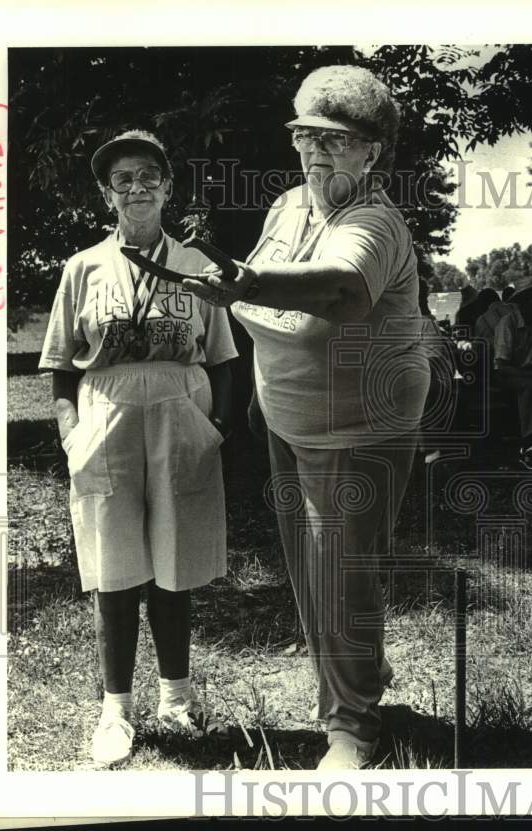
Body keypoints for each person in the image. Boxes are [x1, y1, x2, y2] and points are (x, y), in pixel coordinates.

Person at [183, 65, 429, 770]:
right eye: (302, 136)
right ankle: (360, 684)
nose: (313, 151)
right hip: (290, 417)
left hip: (360, 427)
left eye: (334, 140)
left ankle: (352, 725)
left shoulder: (376, 222)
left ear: (372, 151)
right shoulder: (291, 205)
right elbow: (266, 310)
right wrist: (262, 397)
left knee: (341, 575)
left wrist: (248, 281)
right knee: (309, 568)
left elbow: (344, 292)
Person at [39, 130, 238, 767]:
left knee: (175, 566)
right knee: (115, 570)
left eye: (148, 175)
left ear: (168, 186)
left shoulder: (197, 266)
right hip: (107, 416)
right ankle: (115, 710)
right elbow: (60, 364)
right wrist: (72, 431)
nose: (137, 187)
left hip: (181, 419)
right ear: (106, 192)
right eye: (122, 178)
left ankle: (177, 700)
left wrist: (219, 427)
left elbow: (224, 357)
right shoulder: (83, 268)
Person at [493, 274, 532, 469]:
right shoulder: (507, 324)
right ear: (526, 301)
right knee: (529, 386)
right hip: (509, 375)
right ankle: (531, 444)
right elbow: (502, 365)